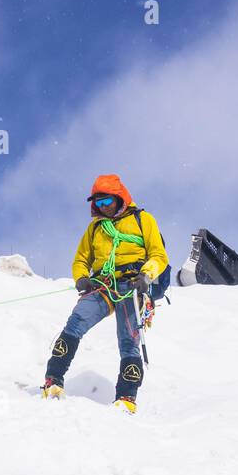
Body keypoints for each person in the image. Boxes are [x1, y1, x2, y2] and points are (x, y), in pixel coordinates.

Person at [42, 174, 168, 413]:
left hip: (132, 285)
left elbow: (158, 255)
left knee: (129, 340)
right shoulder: (95, 229)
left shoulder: (143, 220)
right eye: (97, 203)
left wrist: (146, 276)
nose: (101, 207)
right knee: (75, 322)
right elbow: (81, 259)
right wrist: (81, 278)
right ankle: (53, 379)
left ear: (119, 198)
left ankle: (127, 397)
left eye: (106, 201)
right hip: (103, 285)